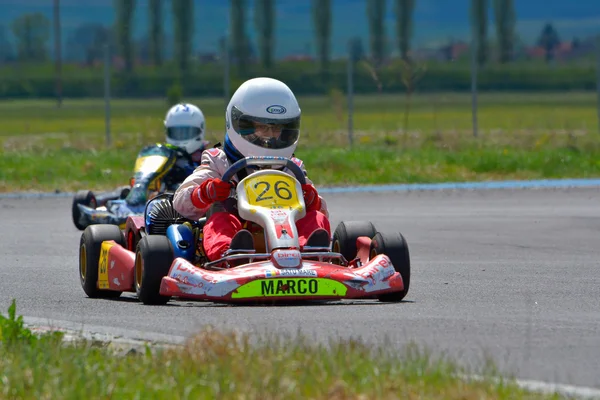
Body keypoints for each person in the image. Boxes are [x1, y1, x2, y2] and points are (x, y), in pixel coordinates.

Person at [172, 77, 330, 262]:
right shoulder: (219, 161)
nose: (270, 136)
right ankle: (230, 255)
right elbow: (180, 202)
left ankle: (310, 253)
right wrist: (206, 192)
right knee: (219, 216)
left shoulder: (292, 167)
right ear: (240, 124)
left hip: (286, 234)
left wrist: (312, 200)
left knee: (314, 216)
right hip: (237, 232)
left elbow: (323, 213)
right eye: (263, 128)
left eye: (277, 128)